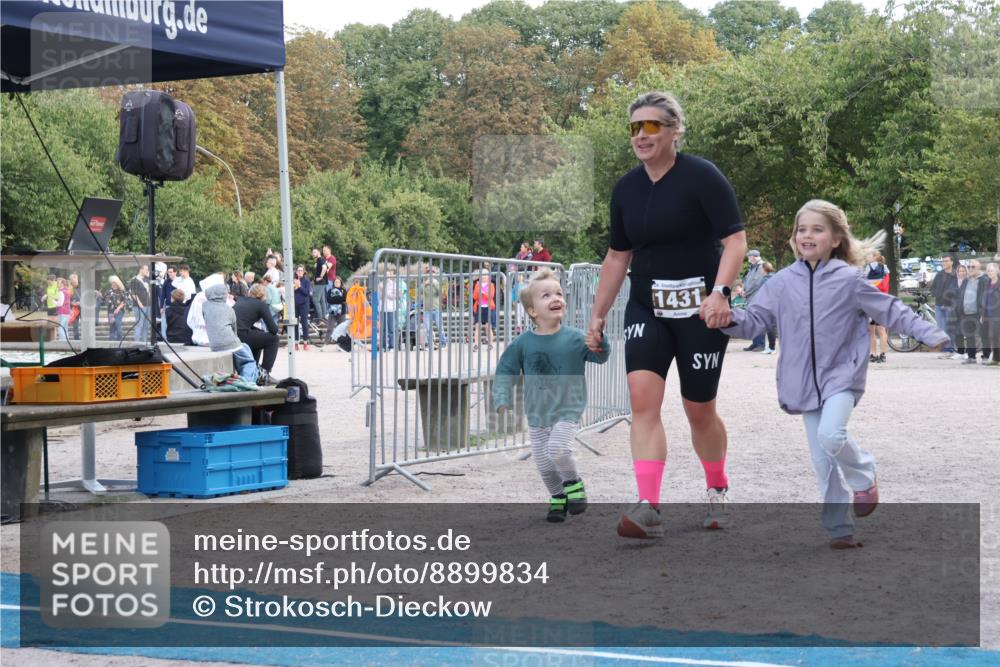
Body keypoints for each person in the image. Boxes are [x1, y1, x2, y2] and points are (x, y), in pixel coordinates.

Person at [711, 199, 949, 548]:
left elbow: (892, 310)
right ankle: (840, 529)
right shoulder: (780, 283)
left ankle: (864, 474)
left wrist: (930, 333)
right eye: (802, 229)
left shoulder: (849, 280)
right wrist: (725, 318)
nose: (807, 236)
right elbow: (754, 322)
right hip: (802, 382)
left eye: (817, 230)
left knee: (831, 435)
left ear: (836, 239)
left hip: (841, 376)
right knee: (822, 461)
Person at [585, 91, 747, 539]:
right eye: (634, 127)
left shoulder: (703, 177)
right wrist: (598, 316)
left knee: (699, 409)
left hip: (701, 309)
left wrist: (721, 293)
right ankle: (649, 506)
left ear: (675, 131)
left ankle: (717, 487)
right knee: (642, 401)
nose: (641, 135)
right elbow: (618, 256)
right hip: (647, 306)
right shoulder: (626, 189)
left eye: (651, 126)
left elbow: (735, 241)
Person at [494, 269, 610, 522]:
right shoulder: (522, 343)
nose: (555, 298)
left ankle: (574, 484)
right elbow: (505, 370)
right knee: (544, 464)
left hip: (568, 408)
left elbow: (600, 357)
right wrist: (502, 398)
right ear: (532, 311)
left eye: (558, 293)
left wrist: (600, 340)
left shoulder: (576, 338)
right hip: (537, 413)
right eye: (546, 295)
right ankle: (558, 497)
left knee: (558, 449)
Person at [202, 283, 258, 383]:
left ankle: (241, 377)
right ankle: (247, 382)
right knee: (249, 362)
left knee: (245, 346)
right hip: (230, 343)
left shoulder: (205, 305)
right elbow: (234, 330)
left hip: (214, 345)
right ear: (223, 295)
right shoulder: (229, 309)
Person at [234, 283, 280, 378]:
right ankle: (264, 374)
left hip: (233, 334)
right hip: (243, 334)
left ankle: (253, 371)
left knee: (259, 335)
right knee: (274, 339)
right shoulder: (261, 305)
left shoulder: (240, 300)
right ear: (262, 295)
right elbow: (273, 329)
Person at [952, 264, 983, 365]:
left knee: (983, 334)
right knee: (968, 335)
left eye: (972, 267)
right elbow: (959, 295)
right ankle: (970, 356)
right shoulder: (965, 281)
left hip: (975, 312)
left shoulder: (981, 280)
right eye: (969, 267)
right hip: (963, 311)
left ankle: (986, 356)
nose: (970, 269)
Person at [866, 252, 891, 363]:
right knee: (881, 329)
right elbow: (885, 286)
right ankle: (883, 354)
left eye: (869, 255)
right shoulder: (885, 268)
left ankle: (873, 354)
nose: (867, 257)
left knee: (871, 330)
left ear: (875, 257)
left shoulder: (867, 268)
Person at [931, 254, 958, 356]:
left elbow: (958, 289)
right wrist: (937, 294)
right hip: (939, 305)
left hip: (950, 306)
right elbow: (933, 288)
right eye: (943, 261)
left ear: (951, 262)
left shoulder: (955, 275)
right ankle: (944, 350)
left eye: (946, 261)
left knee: (950, 328)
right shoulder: (939, 274)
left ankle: (951, 349)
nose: (944, 263)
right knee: (941, 329)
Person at [741, 250, 766, 351]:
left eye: (749, 256)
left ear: (754, 257)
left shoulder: (761, 266)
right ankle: (755, 343)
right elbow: (747, 280)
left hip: (757, 297)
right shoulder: (752, 267)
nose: (748, 258)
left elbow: (756, 283)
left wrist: (746, 292)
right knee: (752, 321)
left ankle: (760, 344)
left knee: (758, 321)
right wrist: (743, 290)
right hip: (751, 297)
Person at [419, 266, 448, 349]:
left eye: (432, 272)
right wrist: (425, 284)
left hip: (436, 308)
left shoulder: (436, 282)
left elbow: (441, 293)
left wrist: (434, 284)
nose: (430, 274)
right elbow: (420, 291)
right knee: (427, 328)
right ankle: (429, 344)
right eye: (428, 272)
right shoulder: (424, 283)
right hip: (426, 309)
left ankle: (443, 343)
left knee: (440, 327)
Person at [470, 268, 496, 351]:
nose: (484, 276)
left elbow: (490, 296)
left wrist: (483, 293)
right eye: (482, 275)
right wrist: (480, 292)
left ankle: (491, 344)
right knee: (477, 326)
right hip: (479, 307)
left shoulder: (491, 285)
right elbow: (475, 296)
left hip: (488, 308)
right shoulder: (477, 284)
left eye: (485, 275)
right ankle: (476, 344)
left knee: (488, 327)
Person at [980, 262, 1000, 366]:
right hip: (988, 314)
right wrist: (982, 315)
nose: (989, 272)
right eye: (988, 271)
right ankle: (996, 359)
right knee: (992, 337)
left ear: (997, 271)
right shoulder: (987, 283)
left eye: (991, 270)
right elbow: (985, 299)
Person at [759, 261, 778, 354]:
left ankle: (772, 348)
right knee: (772, 326)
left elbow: (764, 293)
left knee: (770, 326)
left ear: (764, 269)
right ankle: (771, 347)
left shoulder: (765, 279)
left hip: (769, 304)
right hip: (776, 304)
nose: (760, 271)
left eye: (761, 269)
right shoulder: (775, 276)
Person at [324, 276, 348, 347]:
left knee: (341, 329)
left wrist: (335, 299)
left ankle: (340, 345)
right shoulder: (330, 290)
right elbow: (329, 300)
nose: (337, 283)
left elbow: (345, 299)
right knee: (329, 329)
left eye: (338, 282)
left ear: (341, 283)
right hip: (332, 313)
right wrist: (340, 299)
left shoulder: (344, 290)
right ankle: (325, 344)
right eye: (336, 282)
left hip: (342, 313)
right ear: (333, 283)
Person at [293, 265, 312, 351]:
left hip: (304, 305)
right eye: (298, 270)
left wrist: (299, 286)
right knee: (295, 324)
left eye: (301, 270)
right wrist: (295, 287)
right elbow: (291, 292)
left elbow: (306, 292)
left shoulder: (307, 281)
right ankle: (296, 343)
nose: (300, 272)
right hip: (295, 305)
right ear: (296, 272)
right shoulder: (293, 280)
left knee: (304, 323)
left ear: (304, 272)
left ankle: (305, 343)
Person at [105, 276, 129, 341]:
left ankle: (119, 341)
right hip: (111, 312)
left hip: (120, 311)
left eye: (114, 282)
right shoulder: (108, 291)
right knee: (112, 327)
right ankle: (111, 342)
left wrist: (118, 308)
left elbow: (125, 301)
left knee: (118, 325)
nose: (113, 283)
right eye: (112, 282)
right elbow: (106, 300)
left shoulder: (122, 291)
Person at [310, 248, 327, 325]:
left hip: (320, 283)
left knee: (315, 300)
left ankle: (320, 319)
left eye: (314, 252)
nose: (313, 254)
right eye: (312, 252)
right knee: (322, 300)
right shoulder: (320, 260)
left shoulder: (320, 259)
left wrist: (320, 276)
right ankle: (323, 318)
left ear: (319, 252)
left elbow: (325, 267)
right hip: (322, 283)